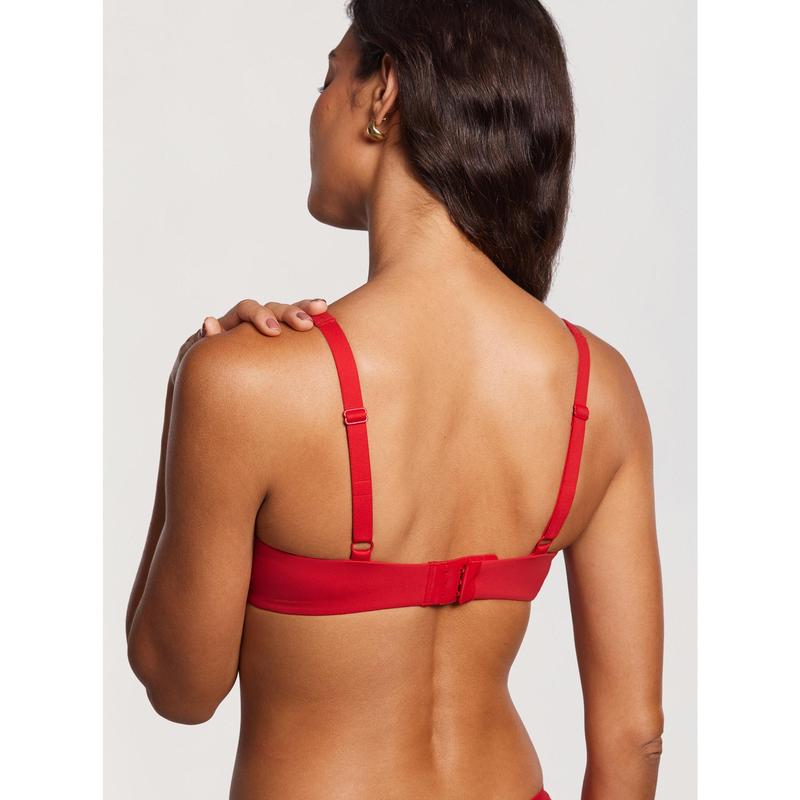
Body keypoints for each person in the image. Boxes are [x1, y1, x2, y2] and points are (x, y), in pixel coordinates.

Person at [126, 3, 663, 798]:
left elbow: (179, 687)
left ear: (385, 94)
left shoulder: (247, 383)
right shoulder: (600, 387)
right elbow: (634, 735)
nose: (316, 109)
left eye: (328, 78)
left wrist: (192, 380)